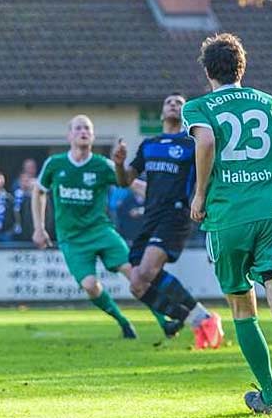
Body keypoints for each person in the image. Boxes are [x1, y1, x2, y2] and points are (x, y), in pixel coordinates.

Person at [182, 33, 272, 414]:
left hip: (228, 216)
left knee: (243, 308)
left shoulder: (199, 107)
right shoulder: (269, 103)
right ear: (241, 67)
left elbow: (205, 143)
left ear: (208, 71)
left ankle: (271, 398)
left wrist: (200, 194)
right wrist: (263, 176)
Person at [32, 115, 169, 339]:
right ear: (69, 135)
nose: (83, 132)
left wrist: (166, 196)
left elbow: (133, 184)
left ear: (93, 136)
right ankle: (123, 322)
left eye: (87, 128)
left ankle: (164, 321)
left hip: (101, 231)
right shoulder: (55, 164)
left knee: (134, 274)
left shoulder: (102, 165)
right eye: (78, 128)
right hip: (72, 238)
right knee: (90, 286)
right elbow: (38, 191)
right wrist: (39, 228)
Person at [113, 92, 224, 349]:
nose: (173, 105)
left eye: (179, 103)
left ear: (184, 114)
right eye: (169, 102)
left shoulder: (192, 144)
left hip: (176, 215)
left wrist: (202, 202)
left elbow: (208, 174)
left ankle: (202, 320)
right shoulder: (149, 145)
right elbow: (125, 181)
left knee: (146, 271)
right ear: (162, 112)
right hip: (150, 217)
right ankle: (200, 319)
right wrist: (119, 164)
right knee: (137, 285)